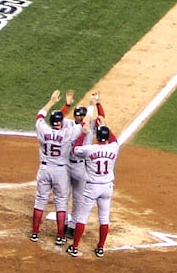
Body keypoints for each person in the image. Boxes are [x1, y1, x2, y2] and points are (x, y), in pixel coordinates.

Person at [66, 116, 120, 257]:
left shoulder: (89, 149)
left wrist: (83, 133)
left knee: (82, 217)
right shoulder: (114, 147)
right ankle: (100, 248)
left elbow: (75, 149)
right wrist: (105, 125)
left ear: (96, 137)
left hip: (92, 187)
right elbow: (114, 139)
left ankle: (75, 247)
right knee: (104, 218)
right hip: (107, 187)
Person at [31, 89, 75, 245]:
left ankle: (35, 233)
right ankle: (61, 236)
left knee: (40, 200)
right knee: (61, 202)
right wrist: (70, 105)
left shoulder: (43, 129)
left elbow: (40, 115)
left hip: (44, 169)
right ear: (61, 123)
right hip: (60, 171)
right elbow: (82, 124)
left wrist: (52, 101)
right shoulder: (67, 133)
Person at [65, 92, 105, 219]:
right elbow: (58, 118)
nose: (81, 117)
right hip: (67, 164)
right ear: (74, 116)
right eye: (78, 115)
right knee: (63, 197)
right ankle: (64, 223)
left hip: (81, 166)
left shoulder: (91, 125)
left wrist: (98, 104)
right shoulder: (69, 124)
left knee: (78, 197)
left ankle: (72, 225)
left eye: (82, 115)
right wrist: (67, 105)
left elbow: (101, 117)